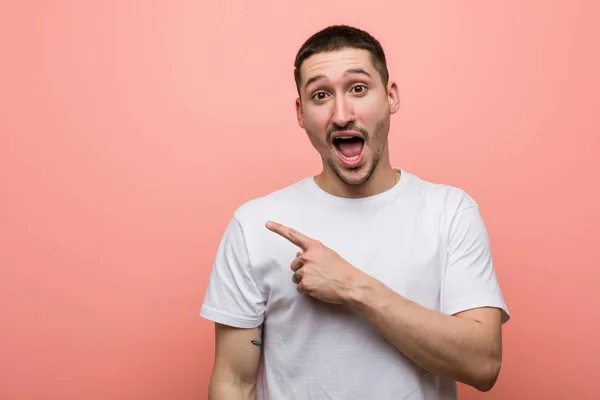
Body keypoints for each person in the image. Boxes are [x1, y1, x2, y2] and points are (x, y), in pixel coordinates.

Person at [200, 24, 510, 400]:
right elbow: (234, 382)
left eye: (358, 89)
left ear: (391, 96)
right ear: (300, 112)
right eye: (320, 95)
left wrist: (351, 286)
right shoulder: (255, 225)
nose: (341, 114)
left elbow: (483, 364)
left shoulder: (450, 211)